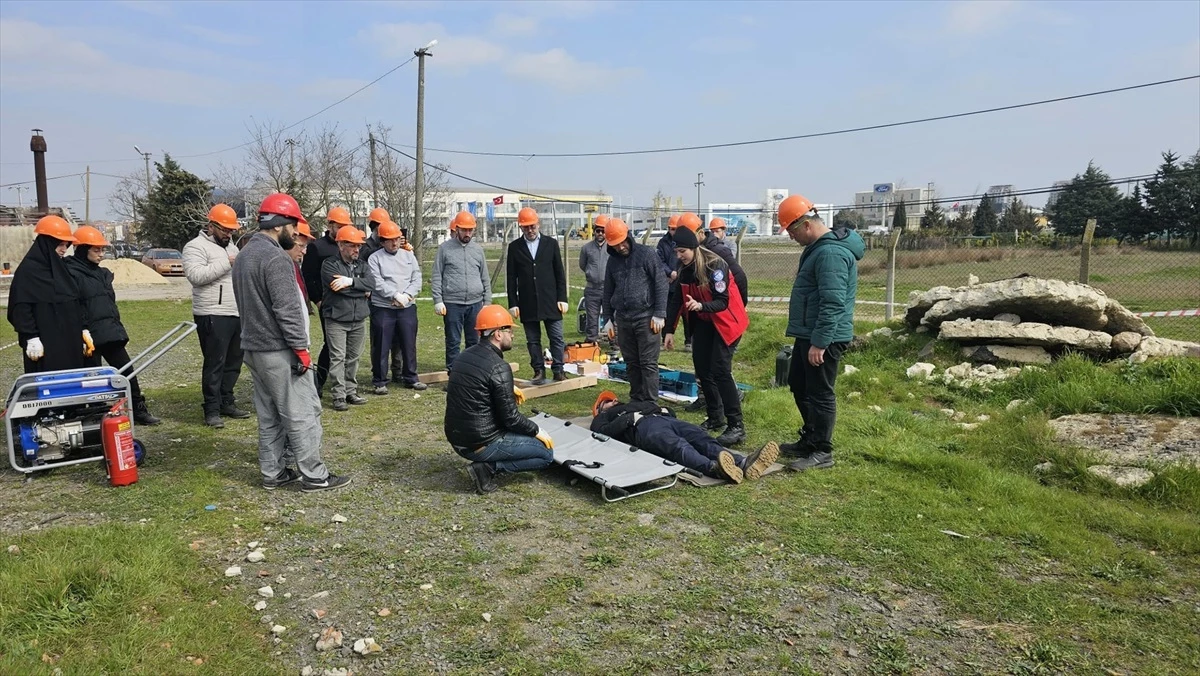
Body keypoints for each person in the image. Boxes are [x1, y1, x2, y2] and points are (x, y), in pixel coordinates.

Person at [232, 192, 350, 492]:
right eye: (293, 227)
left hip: (253, 349)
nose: (297, 234)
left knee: (270, 415)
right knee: (302, 414)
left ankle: (273, 473)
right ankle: (315, 475)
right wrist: (301, 351)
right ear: (280, 224)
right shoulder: (275, 258)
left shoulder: (244, 255)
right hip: (279, 351)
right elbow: (287, 310)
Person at [777, 194, 865, 471]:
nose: (791, 238)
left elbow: (833, 301)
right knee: (799, 384)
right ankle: (811, 439)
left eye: (791, 232)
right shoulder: (818, 248)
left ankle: (823, 451)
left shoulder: (830, 253)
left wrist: (820, 342)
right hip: (810, 332)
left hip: (825, 337)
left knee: (820, 392)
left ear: (805, 225)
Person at [444, 305, 555, 495]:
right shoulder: (499, 367)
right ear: (497, 334)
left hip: (457, 438)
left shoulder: (464, 356)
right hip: (479, 444)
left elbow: (477, 384)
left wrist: (507, 387)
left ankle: (485, 463)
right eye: (509, 330)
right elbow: (510, 419)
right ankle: (488, 468)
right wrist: (537, 430)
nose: (512, 335)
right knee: (546, 454)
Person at [65, 226, 160, 425]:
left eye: (102, 250)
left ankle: (137, 409)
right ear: (82, 249)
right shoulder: (70, 273)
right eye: (96, 250)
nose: (101, 254)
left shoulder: (102, 274)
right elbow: (73, 306)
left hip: (109, 332)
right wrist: (81, 331)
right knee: (92, 381)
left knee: (127, 373)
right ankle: (93, 417)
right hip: (87, 337)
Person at [664, 225, 750, 446]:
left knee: (720, 369)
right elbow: (676, 301)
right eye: (676, 252)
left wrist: (700, 304)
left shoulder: (715, 265)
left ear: (694, 247)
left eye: (682, 251)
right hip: (703, 320)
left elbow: (722, 302)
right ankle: (715, 417)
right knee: (702, 368)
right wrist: (669, 330)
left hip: (726, 321)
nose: (679, 256)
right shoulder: (684, 269)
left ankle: (736, 426)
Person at [590, 391, 779, 483]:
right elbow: (601, 433)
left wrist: (665, 410)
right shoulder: (604, 417)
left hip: (665, 420)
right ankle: (714, 468)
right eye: (604, 403)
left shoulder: (635, 403)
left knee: (702, 438)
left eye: (610, 399)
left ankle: (743, 462)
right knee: (677, 446)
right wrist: (630, 419)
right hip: (643, 427)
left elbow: (669, 411)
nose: (611, 402)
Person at [183, 203, 249, 427]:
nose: (228, 234)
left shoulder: (232, 247)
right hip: (211, 313)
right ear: (210, 226)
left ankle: (226, 401)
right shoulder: (194, 247)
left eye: (231, 230)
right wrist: (226, 262)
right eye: (224, 230)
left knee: (234, 361)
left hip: (236, 312)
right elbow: (196, 276)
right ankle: (211, 408)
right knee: (215, 363)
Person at [7, 215, 93, 374]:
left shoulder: (63, 270)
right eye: (59, 244)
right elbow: (20, 308)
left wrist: (83, 328)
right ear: (46, 244)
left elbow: (77, 301)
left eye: (66, 245)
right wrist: (30, 336)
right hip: (45, 345)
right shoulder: (28, 272)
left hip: (71, 342)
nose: (63, 249)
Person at [600, 218, 668, 402]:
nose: (620, 247)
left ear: (628, 236)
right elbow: (607, 291)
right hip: (623, 318)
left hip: (646, 318)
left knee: (648, 363)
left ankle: (651, 402)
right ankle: (637, 399)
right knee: (631, 363)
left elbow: (661, 283)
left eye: (622, 242)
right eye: (615, 244)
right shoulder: (612, 263)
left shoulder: (646, 255)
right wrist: (607, 318)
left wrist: (660, 313)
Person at [506, 207, 568, 385]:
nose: (530, 230)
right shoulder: (515, 247)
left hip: (550, 299)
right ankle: (538, 370)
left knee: (556, 337)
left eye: (532, 226)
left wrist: (562, 298)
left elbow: (559, 273)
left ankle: (559, 369)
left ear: (538, 224)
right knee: (533, 339)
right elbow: (511, 277)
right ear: (521, 227)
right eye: (526, 227)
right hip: (528, 301)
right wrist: (513, 302)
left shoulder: (551, 244)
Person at [368, 219, 426, 394]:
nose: (394, 243)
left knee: (409, 344)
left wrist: (406, 296)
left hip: (407, 307)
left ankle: (411, 377)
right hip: (383, 308)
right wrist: (395, 295)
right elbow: (376, 282)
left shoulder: (409, 256)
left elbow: (417, 278)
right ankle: (380, 380)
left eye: (397, 239)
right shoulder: (374, 258)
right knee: (381, 344)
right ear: (382, 241)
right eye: (390, 240)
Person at [320, 225, 374, 411]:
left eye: (358, 246)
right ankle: (338, 395)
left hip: (358, 319)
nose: (357, 250)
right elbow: (338, 289)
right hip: (336, 319)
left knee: (354, 357)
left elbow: (372, 283)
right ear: (341, 245)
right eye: (352, 246)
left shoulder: (363, 265)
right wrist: (361, 290)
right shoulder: (329, 264)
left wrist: (351, 282)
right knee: (338, 357)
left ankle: (351, 391)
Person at [300, 205, 352, 397]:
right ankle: (319, 382)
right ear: (330, 225)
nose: (342, 229)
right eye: (339, 225)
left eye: (345, 225)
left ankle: (343, 383)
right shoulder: (318, 247)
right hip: (328, 303)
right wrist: (317, 299)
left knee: (347, 346)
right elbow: (308, 275)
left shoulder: (349, 244)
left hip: (349, 303)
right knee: (331, 344)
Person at [432, 211, 490, 371]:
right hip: (452, 303)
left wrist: (487, 302)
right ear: (456, 229)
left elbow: (485, 276)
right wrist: (438, 300)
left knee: (475, 342)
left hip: (475, 304)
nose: (467, 233)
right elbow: (437, 275)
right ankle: (454, 375)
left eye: (470, 230)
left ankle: (473, 374)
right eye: (464, 230)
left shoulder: (478, 250)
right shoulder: (444, 249)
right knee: (453, 341)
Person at [578, 213, 610, 343]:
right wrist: (591, 274)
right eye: (598, 230)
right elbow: (582, 264)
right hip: (592, 289)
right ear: (594, 231)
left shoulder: (612, 247)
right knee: (591, 319)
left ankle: (615, 344)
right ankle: (591, 344)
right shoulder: (586, 248)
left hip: (608, 289)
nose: (600, 233)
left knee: (611, 317)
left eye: (603, 231)